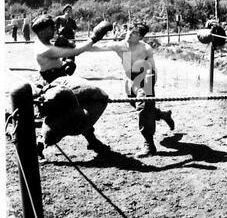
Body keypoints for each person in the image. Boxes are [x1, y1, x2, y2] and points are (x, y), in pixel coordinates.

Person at [31, 14, 113, 161]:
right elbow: (76, 51)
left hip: (59, 77)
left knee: (78, 105)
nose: (54, 30)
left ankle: (92, 141)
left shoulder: (46, 43)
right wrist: (95, 36)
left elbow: (69, 53)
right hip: (54, 84)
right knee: (92, 99)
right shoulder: (44, 49)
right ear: (43, 32)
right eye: (51, 28)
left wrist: (66, 63)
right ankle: (39, 145)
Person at [90, 21, 175, 158]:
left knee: (143, 106)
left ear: (140, 37)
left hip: (145, 77)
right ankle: (162, 114)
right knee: (138, 105)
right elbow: (96, 48)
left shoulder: (145, 48)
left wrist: (148, 88)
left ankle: (149, 145)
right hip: (129, 79)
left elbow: (152, 69)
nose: (130, 33)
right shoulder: (120, 45)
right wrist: (72, 46)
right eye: (130, 29)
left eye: (135, 32)